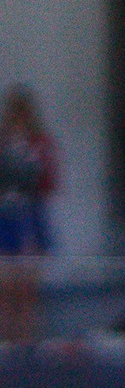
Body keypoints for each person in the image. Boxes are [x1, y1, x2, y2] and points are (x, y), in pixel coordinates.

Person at [0, 86, 59, 342]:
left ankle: (26, 343)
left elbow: (49, 182)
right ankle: (6, 342)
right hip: (4, 218)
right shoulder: (2, 141)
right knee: (5, 289)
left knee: (27, 291)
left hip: (29, 218)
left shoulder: (41, 143)